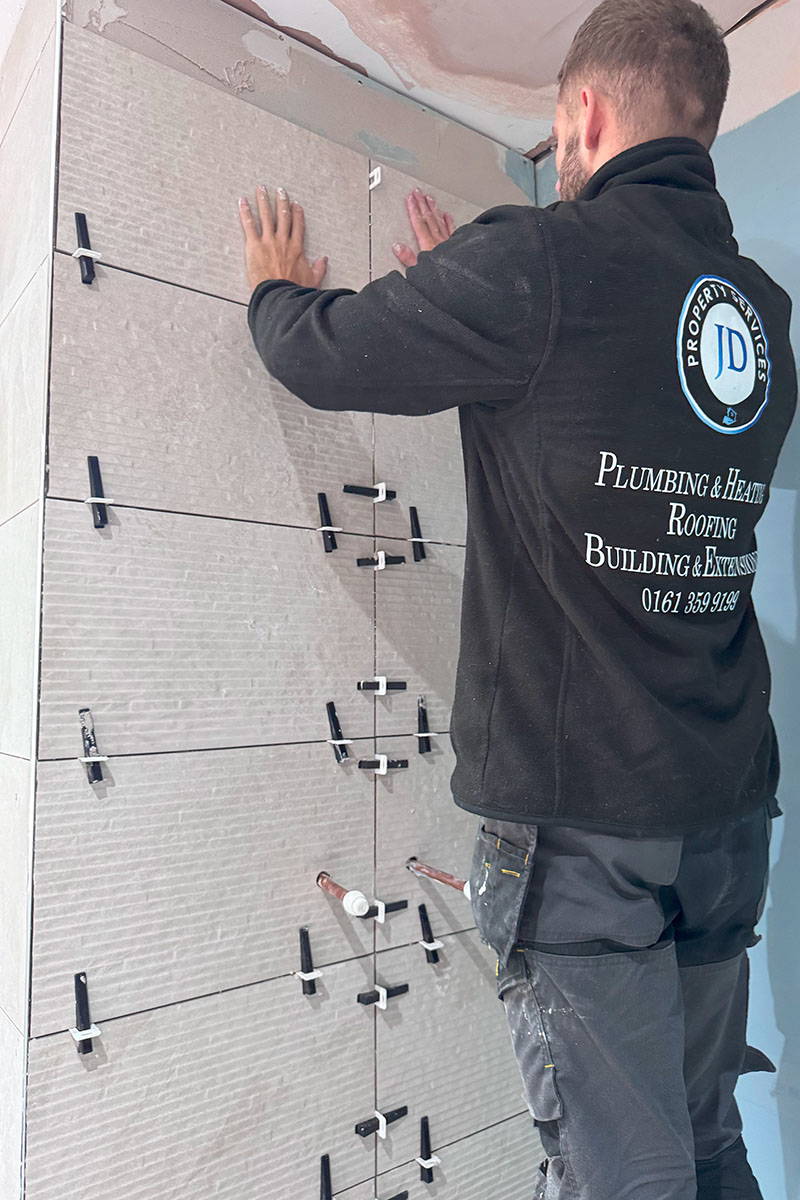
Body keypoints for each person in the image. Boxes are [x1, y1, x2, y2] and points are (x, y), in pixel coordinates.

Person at [238, 1, 796, 1194]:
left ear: (580, 116)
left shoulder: (539, 264)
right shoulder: (759, 318)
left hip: (583, 827)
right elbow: (600, 416)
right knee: (706, 1142)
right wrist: (472, 301)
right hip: (721, 813)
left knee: (622, 1176)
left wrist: (274, 292)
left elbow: (320, 354)